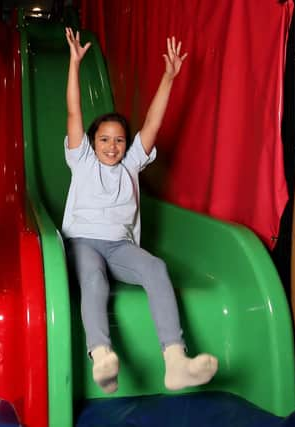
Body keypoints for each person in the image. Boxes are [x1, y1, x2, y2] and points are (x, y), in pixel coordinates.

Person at [62, 28, 217, 394]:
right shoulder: (81, 160)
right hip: (83, 243)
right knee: (94, 281)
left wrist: (169, 77)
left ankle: (176, 360)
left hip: (119, 248)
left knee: (155, 267)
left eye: (118, 139)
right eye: (104, 139)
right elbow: (73, 109)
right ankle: (101, 356)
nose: (112, 146)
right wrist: (74, 64)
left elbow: (153, 124)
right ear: (92, 141)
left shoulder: (131, 165)